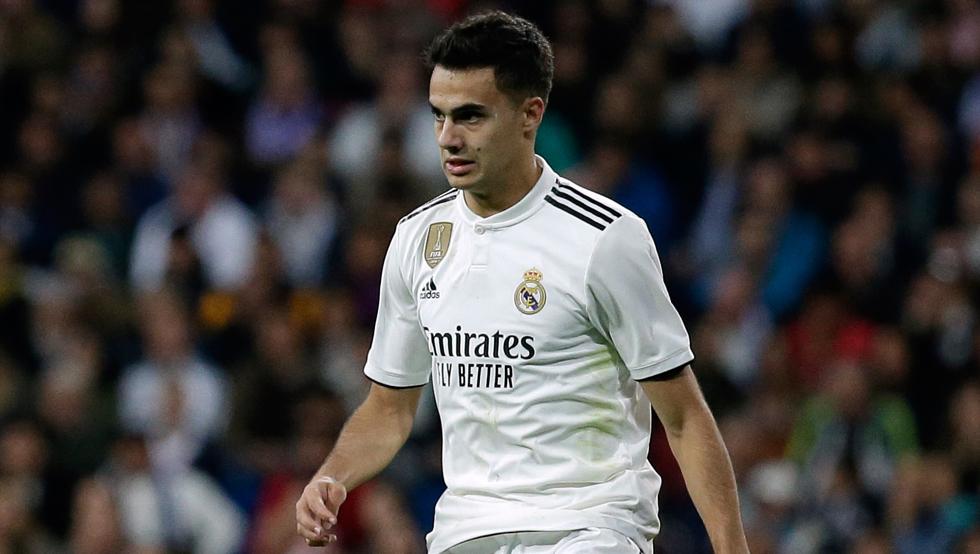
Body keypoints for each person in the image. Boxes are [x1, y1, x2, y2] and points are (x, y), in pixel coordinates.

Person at [296, 11, 749, 554]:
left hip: (589, 527)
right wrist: (333, 476)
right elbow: (389, 408)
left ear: (530, 114)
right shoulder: (417, 240)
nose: (448, 138)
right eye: (438, 116)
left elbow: (683, 418)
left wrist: (731, 547)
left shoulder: (604, 240)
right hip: (467, 531)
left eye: (470, 117)